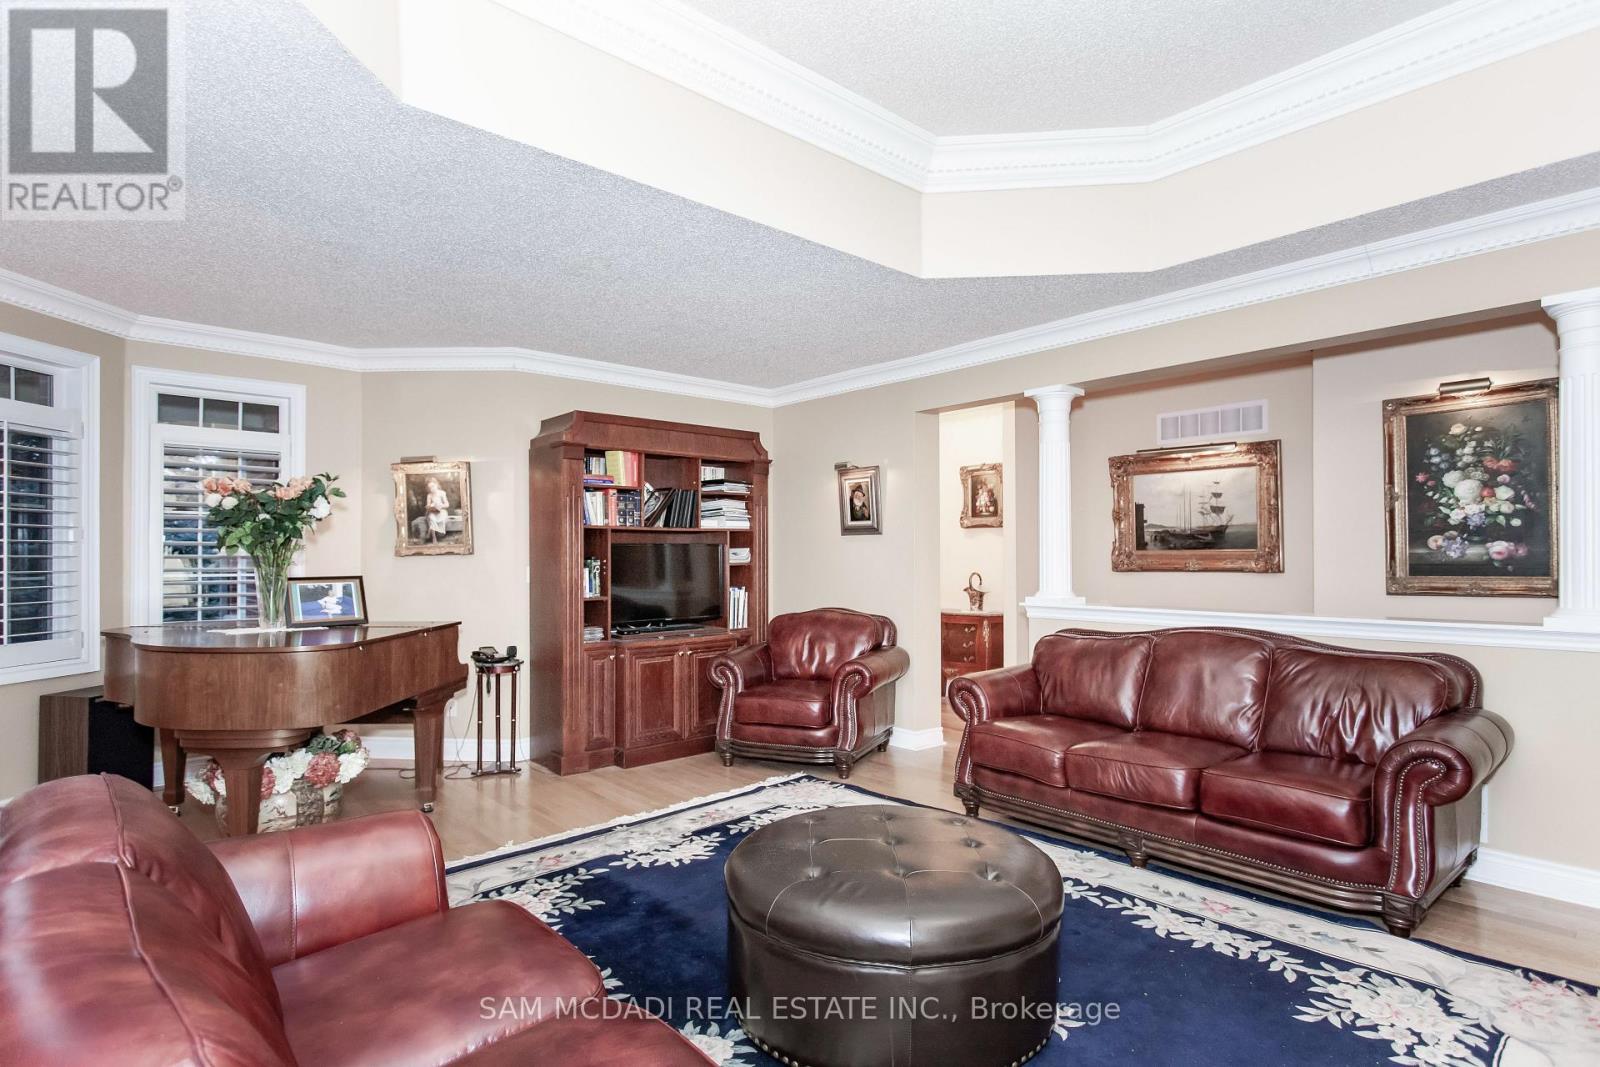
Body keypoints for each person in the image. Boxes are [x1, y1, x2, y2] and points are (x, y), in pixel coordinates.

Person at [424, 477, 451, 543]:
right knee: (431, 517)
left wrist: (440, 506)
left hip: (441, 511)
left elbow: (447, 504)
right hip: (433, 511)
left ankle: (430, 532)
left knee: (441, 518)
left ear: (436, 484)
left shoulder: (442, 493)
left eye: (433, 486)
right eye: (430, 488)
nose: (432, 489)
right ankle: (434, 537)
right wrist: (429, 506)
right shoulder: (429, 495)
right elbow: (428, 505)